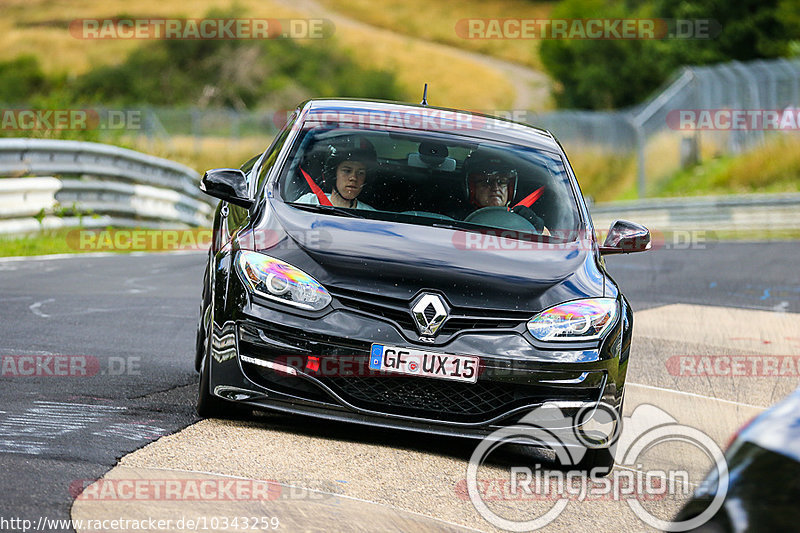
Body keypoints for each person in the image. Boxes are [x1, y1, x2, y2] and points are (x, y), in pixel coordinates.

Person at [463, 149, 548, 233]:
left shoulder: (522, 219)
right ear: (472, 188)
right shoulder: (456, 221)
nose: (495, 188)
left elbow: (550, 242)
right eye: (486, 182)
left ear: (510, 189)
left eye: (502, 182)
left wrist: (537, 225)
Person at [296, 142, 377, 210]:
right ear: (333, 175)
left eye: (360, 173)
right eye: (347, 171)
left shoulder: (370, 215)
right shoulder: (308, 203)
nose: (354, 178)